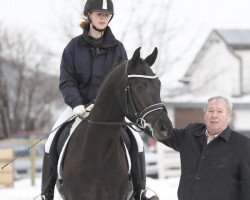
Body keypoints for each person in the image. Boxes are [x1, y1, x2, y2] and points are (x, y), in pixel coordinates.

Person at [39, 0, 158, 200]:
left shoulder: (118, 49)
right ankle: (46, 193)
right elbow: (67, 81)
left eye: (106, 15)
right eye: (99, 14)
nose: (103, 18)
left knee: (137, 141)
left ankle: (140, 191)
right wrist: (76, 104)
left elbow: (123, 83)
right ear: (89, 15)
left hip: (109, 111)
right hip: (78, 107)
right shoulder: (73, 47)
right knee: (51, 140)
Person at [161, 96, 250, 200]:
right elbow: (163, 133)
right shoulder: (191, 133)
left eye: (220, 111)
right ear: (205, 114)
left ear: (229, 116)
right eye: (210, 111)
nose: (214, 115)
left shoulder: (243, 145)